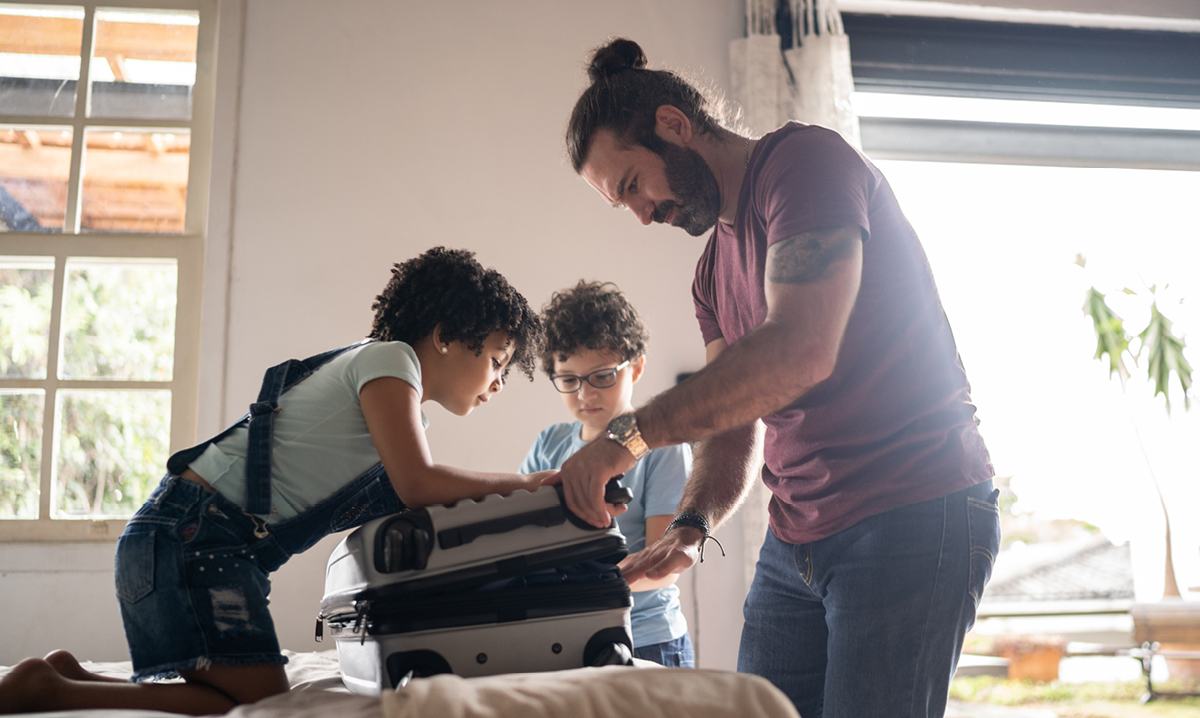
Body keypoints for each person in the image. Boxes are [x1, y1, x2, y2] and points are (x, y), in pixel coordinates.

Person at [552, 38, 1001, 717]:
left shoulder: (805, 165)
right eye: (625, 204)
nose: (643, 214)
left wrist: (627, 438)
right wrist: (692, 525)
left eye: (634, 185)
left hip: (911, 509)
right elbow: (731, 422)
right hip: (796, 541)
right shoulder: (710, 274)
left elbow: (799, 349)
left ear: (673, 125)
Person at [0, 247, 553, 715]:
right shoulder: (391, 361)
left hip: (188, 540)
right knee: (263, 706)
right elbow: (419, 484)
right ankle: (47, 689)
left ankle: (68, 678)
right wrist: (530, 485)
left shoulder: (388, 392)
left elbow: (416, 499)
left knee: (245, 697)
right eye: (498, 360)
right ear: (445, 337)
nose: (499, 383)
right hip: (195, 540)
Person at [520, 280, 694, 667]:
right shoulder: (548, 444)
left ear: (636, 367)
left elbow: (663, 565)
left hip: (646, 638)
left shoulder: (661, 448)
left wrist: (580, 586)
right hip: (568, 640)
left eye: (601, 376)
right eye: (569, 380)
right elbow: (525, 542)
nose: (586, 394)